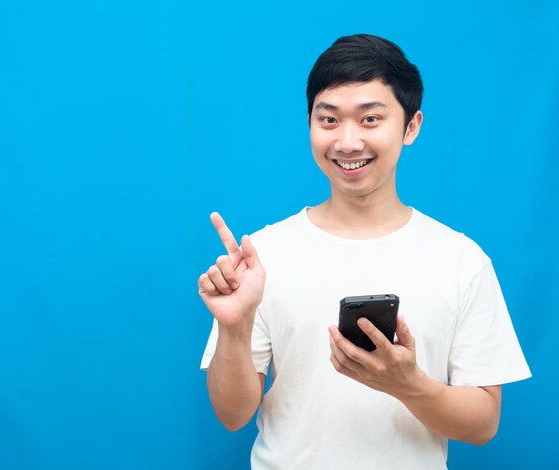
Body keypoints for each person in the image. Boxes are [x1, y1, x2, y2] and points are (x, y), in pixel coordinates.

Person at [198, 34, 531, 469]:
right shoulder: (263, 255)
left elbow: (483, 424)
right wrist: (234, 328)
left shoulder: (461, 260)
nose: (348, 142)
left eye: (370, 119)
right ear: (310, 124)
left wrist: (407, 383)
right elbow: (232, 414)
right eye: (329, 120)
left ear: (411, 126)